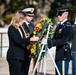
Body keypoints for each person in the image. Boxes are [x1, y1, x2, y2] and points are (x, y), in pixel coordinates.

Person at [41, 6, 73, 75]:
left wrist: (49, 42)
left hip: (64, 54)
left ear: (65, 15)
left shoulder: (68, 27)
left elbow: (63, 41)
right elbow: (55, 38)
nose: (58, 16)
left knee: (62, 73)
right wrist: (45, 44)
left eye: (60, 14)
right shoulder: (59, 26)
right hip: (58, 54)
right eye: (58, 14)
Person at [6, 11, 39, 75]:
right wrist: (30, 39)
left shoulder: (21, 28)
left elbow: (25, 38)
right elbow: (18, 40)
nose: (24, 21)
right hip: (15, 56)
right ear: (18, 19)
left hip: (23, 56)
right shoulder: (12, 28)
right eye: (23, 19)